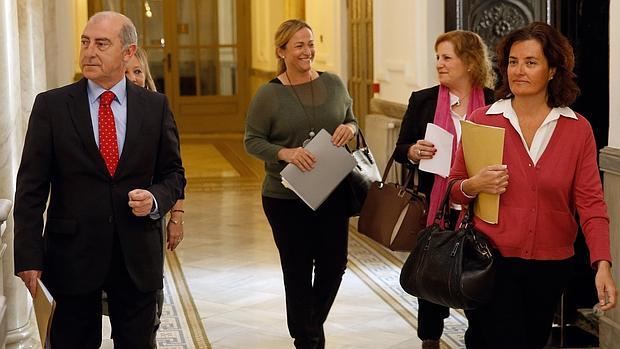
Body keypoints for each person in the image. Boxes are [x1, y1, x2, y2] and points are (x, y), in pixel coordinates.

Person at [13, 11, 185, 349]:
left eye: (102, 44)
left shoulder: (155, 107)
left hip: (136, 258)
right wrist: (29, 257)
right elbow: (31, 188)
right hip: (72, 257)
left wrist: (155, 200)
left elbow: (174, 175)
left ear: (128, 53)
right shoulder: (52, 106)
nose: (89, 51)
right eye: (85, 42)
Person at [448, 22, 617, 348]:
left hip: (551, 267)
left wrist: (603, 264)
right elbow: (455, 188)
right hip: (490, 260)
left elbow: (591, 203)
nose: (518, 71)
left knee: (530, 340)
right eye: (513, 61)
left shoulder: (577, 129)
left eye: (531, 62)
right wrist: (475, 184)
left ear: (553, 69)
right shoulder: (484, 120)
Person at [244, 19, 357, 349]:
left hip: (332, 191)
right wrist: (285, 152)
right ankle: (308, 339)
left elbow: (351, 118)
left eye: (310, 44)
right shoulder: (269, 95)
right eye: (298, 45)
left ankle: (308, 325)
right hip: (285, 197)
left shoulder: (334, 83)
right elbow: (252, 141)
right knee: (297, 269)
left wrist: (349, 129)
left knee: (334, 265)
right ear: (281, 51)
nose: (307, 51)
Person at [393, 30, 495, 349]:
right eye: (437, 57)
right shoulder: (422, 100)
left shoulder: (495, 103)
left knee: (478, 273)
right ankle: (431, 340)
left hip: (483, 204)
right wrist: (413, 151)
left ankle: (478, 333)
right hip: (435, 204)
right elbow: (401, 149)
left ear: (469, 61)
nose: (439, 63)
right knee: (432, 272)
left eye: (446, 57)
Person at [124, 46, 185, 348]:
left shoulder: (158, 108)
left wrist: (176, 217)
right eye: (126, 72)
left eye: (138, 72)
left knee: (147, 297)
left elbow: (174, 170)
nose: (133, 78)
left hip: (149, 217)